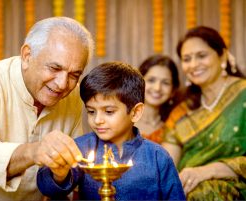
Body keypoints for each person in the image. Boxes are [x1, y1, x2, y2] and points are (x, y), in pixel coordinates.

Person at [0, 17, 94, 201]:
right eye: (54, 68)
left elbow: (65, 177)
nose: (62, 84)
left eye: (74, 74)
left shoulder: (73, 96)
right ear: (26, 56)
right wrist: (35, 151)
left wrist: (60, 174)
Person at [37, 62, 186, 200]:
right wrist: (59, 175)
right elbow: (48, 189)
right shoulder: (81, 149)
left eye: (108, 111)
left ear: (135, 112)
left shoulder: (157, 156)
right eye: (91, 111)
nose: (97, 120)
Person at [161, 26, 246, 200]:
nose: (193, 65)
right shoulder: (182, 111)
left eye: (201, 56)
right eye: (186, 59)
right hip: (186, 188)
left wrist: (209, 171)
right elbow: (166, 165)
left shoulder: (243, 95)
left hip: (231, 188)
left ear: (222, 56)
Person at [135, 55, 180, 144]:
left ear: (173, 91)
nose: (157, 88)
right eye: (151, 80)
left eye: (165, 83)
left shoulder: (173, 128)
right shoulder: (124, 122)